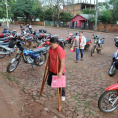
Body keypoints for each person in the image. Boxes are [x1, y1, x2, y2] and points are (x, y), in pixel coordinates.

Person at [47, 36, 66, 101]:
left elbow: (62, 62)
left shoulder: (60, 50)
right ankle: (56, 85)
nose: (50, 45)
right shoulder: (51, 48)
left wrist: (60, 72)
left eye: (51, 44)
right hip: (52, 68)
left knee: (61, 85)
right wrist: (48, 65)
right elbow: (49, 56)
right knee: (49, 82)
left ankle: (63, 94)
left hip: (58, 69)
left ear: (55, 43)